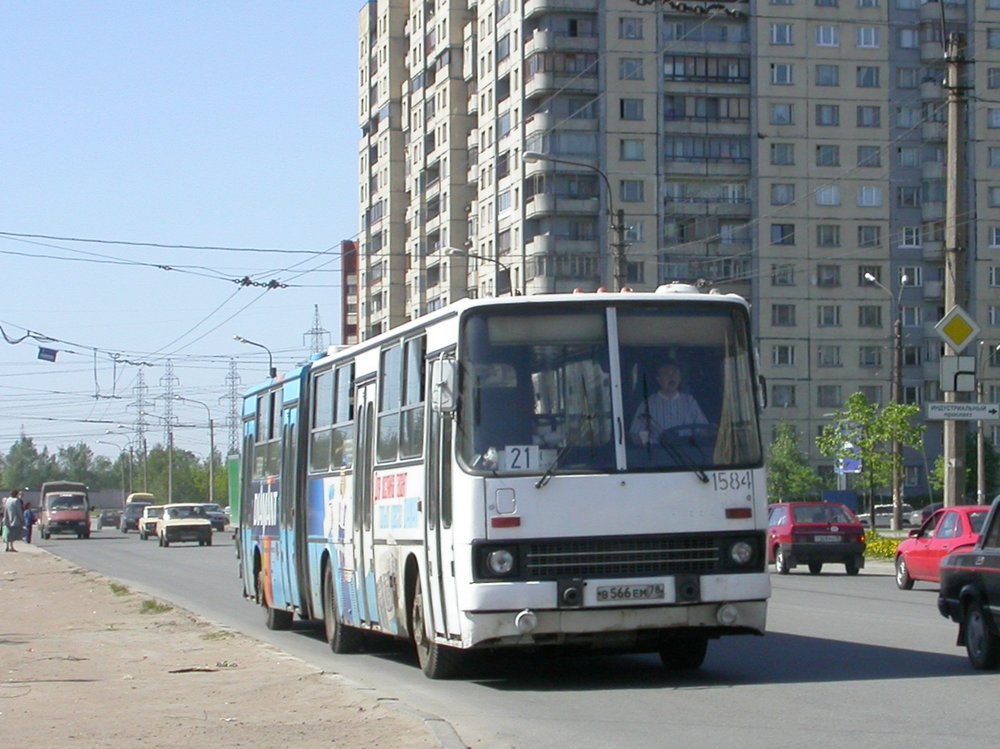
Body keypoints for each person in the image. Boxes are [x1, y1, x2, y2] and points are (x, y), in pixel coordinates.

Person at [629, 361, 707, 445]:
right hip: (657, 455)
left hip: (687, 454)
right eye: (666, 373)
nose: (671, 377)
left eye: (675, 373)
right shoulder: (647, 404)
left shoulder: (690, 401)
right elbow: (635, 435)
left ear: (680, 378)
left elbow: (703, 430)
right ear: (659, 380)